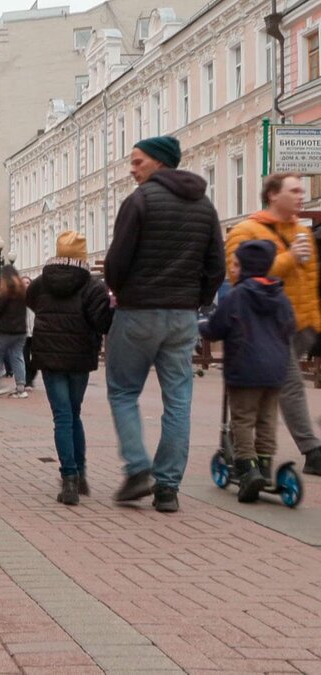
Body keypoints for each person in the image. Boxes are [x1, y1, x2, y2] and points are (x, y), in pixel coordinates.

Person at [104, 135, 225, 513]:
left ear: (158, 162)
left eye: (138, 161)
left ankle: (138, 469)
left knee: (124, 391)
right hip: (183, 316)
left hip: (138, 312)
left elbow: (115, 263)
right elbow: (217, 266)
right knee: (179, 400)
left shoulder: (139, 201)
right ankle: (168, 488)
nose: (132, 168)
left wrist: (122, 290)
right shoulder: (205, 206)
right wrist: (197, 300)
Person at [224, 173, 321, 476]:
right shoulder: (246, 230)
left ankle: (241, 443)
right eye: (294, 190)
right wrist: (289, 258)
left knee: (268, 391)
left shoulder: (301, 232)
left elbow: (309, 281)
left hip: (302, 326)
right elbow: (240, 277)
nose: (301, 195)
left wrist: (315, 323)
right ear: (273, 195)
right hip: (267, 327)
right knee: (289, 385)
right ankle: (312, 451)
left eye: (302, 190)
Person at [199, 240, 296, 502]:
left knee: (242, 419)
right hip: (276, 371)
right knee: (266, 419)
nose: (232, 266)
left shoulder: (237, 296)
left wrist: (201, 326)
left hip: (244, 369)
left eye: (235, 263)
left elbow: (217, 328)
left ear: (246, 267)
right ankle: (264, 465)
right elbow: (290, 325)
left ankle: (247, 468)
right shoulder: (280, 294)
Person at [27, 232, 114, 506]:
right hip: (79, 360)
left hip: (50, 359)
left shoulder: (41, 283)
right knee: (74, 414)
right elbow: (103, 323)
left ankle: (69, 480)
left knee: (62, 417)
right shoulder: (92, 286)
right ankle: (81, 472)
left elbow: (31, 301)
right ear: (83, 256)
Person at [0, 266, 29, 399]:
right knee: (17, 356)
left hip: (8, 330)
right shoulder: (22, 291)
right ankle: (21, 388)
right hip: (21, 330)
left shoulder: (8, 290)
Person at [21, 275, 36, 390]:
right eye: (24, 283)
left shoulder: (37, 298)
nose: (26, 284)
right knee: (25, 357)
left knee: (37, 358)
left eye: (28, 282)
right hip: (23, 333)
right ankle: (27, 381)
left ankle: (32, 375)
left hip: (36, 332)